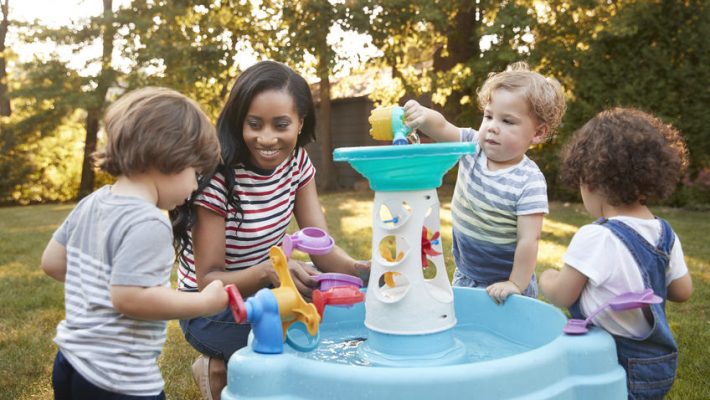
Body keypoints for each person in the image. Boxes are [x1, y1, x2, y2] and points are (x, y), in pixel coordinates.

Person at [171, 60, 368, 400]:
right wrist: (269, 272)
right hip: (210, 307)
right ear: (239, 122)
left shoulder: (297, 164)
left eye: (280, 125)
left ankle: (230, 362)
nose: (267, 138)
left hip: (269, 295)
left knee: (347, 318)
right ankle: (218, 368)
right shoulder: (217, 178)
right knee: (301, 337)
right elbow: (209, 280)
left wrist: (365, 271)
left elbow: (320, 249)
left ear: (299, 122)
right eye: (254, 124)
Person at [40, 87, 229, 399]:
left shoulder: (95, 201)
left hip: (71, 362)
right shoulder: (150, 221)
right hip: (118, 378)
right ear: (169, 158)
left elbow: (53, 262)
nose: (196, 186)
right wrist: (204, 303)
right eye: (195, 173)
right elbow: (132, 299)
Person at [540, 108, 692, 399]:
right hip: (657, 366)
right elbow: (682, 291)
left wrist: (548, 278)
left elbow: (562, 295)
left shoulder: (596, 236)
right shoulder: (665, 233)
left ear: (590, 182)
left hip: (613, 361)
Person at [403, 62, 566, 304]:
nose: (492, 127)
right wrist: (424, 116)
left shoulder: (529, 181)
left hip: (507, 283)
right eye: (488, 116)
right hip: (467, 274)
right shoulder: (473, 147)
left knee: (505, 338)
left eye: (507, 121)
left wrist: (515, 284)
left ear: (538, 133)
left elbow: (528, 240)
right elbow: (442, 127)